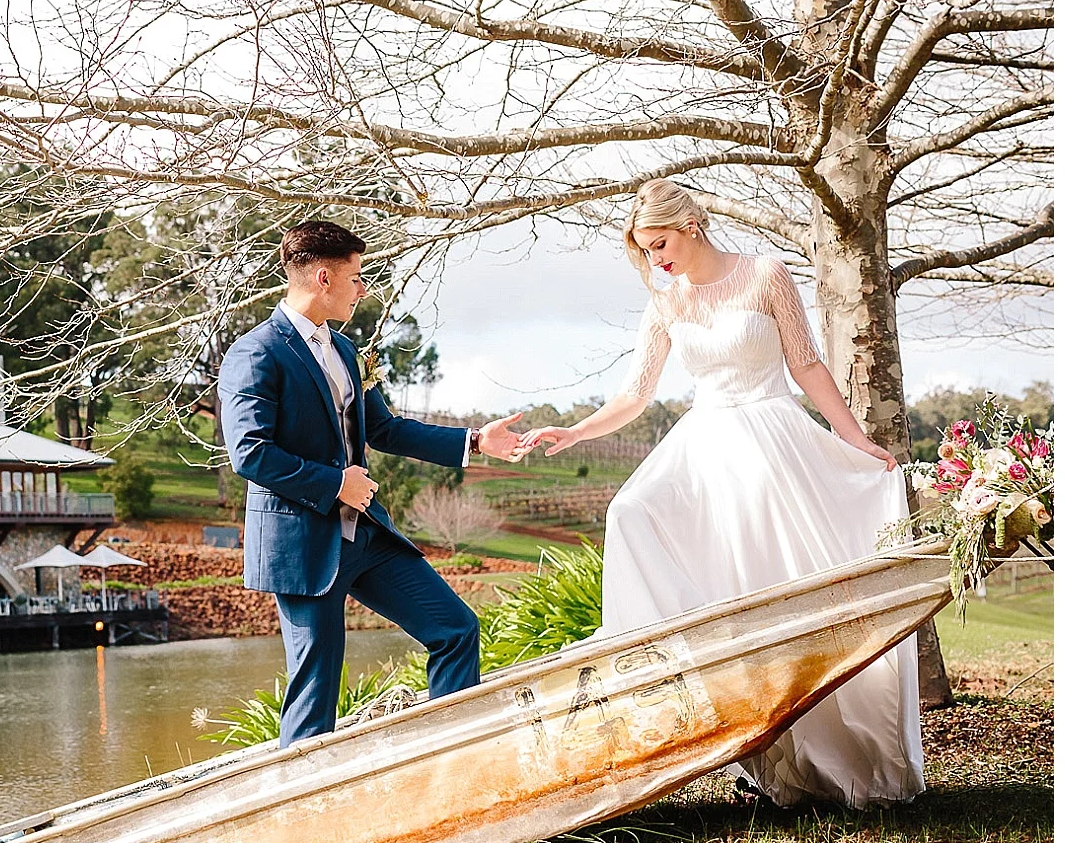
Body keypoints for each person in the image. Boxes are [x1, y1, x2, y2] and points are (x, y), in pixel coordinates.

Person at [517, 179, 924, 808]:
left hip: (773, 435)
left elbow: (808, 365)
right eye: (646, 251)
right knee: (631, 512)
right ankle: (720, 725)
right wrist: (573, 430)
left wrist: (856, 441)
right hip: (705, 446)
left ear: (692, 225)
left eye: (662, 244)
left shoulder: (765, 274)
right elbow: (635, 394)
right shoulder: (666, 305)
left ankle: (834, 751)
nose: (657, 260)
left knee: (781, 577)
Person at [218, 221, 524, 746]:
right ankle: (305, 815)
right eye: (356, 277)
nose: (363, 289)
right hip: (302, 545)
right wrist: (334, 484)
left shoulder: (346, 351)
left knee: (455, 630)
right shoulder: (255, 353)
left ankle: (447, 763)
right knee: (315, 692)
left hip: (366, 537)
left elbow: (384, 428)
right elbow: (250, 453)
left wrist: (473, 441)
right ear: (323, 278)